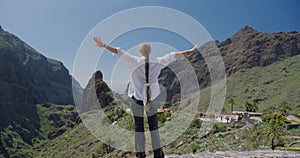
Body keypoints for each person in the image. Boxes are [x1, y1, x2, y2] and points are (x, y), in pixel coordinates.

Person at [93, 37, 197, 158]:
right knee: (154, 128)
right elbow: (173, 55)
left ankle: (141, 155)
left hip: (137, 99)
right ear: (150, 51)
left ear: (140, 51)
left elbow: (118, 51)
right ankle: (158, 155)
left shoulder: (134, 61)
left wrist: (104, 45)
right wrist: (189, 50)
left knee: (139, 128)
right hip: (151, 99)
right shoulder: (157, 63)